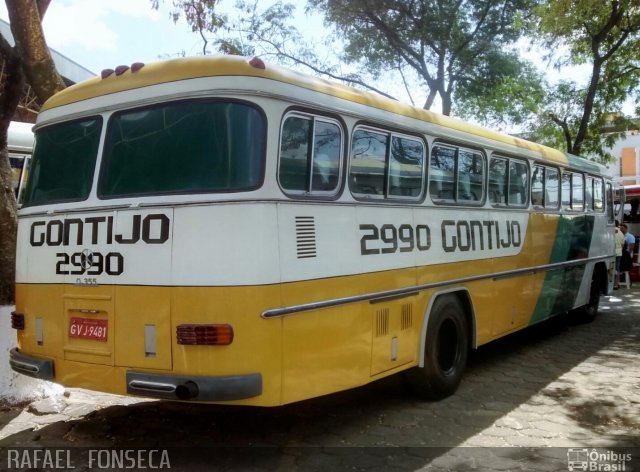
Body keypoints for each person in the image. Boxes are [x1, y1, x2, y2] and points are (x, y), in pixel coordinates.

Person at [614, 221, 625, 289]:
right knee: (617, 268)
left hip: (610, 253)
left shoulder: (609, 230)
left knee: (610, 269)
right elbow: (623, 244)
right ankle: (616, 284)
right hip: (619, 252)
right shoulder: (621, 233)